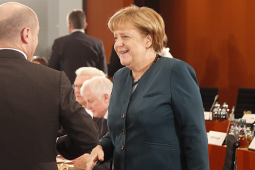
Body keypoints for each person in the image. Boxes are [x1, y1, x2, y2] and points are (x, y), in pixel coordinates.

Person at [0, 2, 98, 170]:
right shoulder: (54, 80)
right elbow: (87, 136)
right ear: (26, 34)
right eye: (36, 35)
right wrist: (55, 147)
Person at [87, 5, 209, 170]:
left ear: (148, 40)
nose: (117, 44)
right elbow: (121, 128)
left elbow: (195, 136)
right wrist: (102, 146)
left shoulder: (175, 71)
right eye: (116, 37)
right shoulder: (120, 77)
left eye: (125, 36)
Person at [48, 9, 107, 83]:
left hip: (66, 89)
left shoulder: (60, 43)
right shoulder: (98, 43)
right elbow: (103, 72)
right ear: (85, 25)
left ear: (69, 25)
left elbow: (51, 68)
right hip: (89, 89)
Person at [72, 76, 112, 170]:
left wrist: (89, 163)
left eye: (90, 101)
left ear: (106, 97)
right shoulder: (98, 118)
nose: (88, 107)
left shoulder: (119, 120)